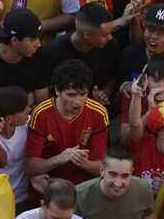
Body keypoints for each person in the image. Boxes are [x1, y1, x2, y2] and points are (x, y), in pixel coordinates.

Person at [26, 59, 109, 192]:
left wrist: (80, 161)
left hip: (83, 190)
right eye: (71, 95)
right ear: (57, 90)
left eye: (83, 94)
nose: (77, 102)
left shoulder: (98, 113)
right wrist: (58, 159)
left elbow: (101, 167)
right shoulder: (41, 113)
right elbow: (30, 166)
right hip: (48, 188)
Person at [42, 1, 120, 104]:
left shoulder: (110, 46)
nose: (110, 37)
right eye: (104, 35)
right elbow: (47, 91)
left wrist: (104, 93)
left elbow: (112, 77)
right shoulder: (53, 51)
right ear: (86, 34)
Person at [0, 8, 51, 100]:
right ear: (14, 41)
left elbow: (41, 102)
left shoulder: (39, 58)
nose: (38, 44)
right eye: (32, 40)